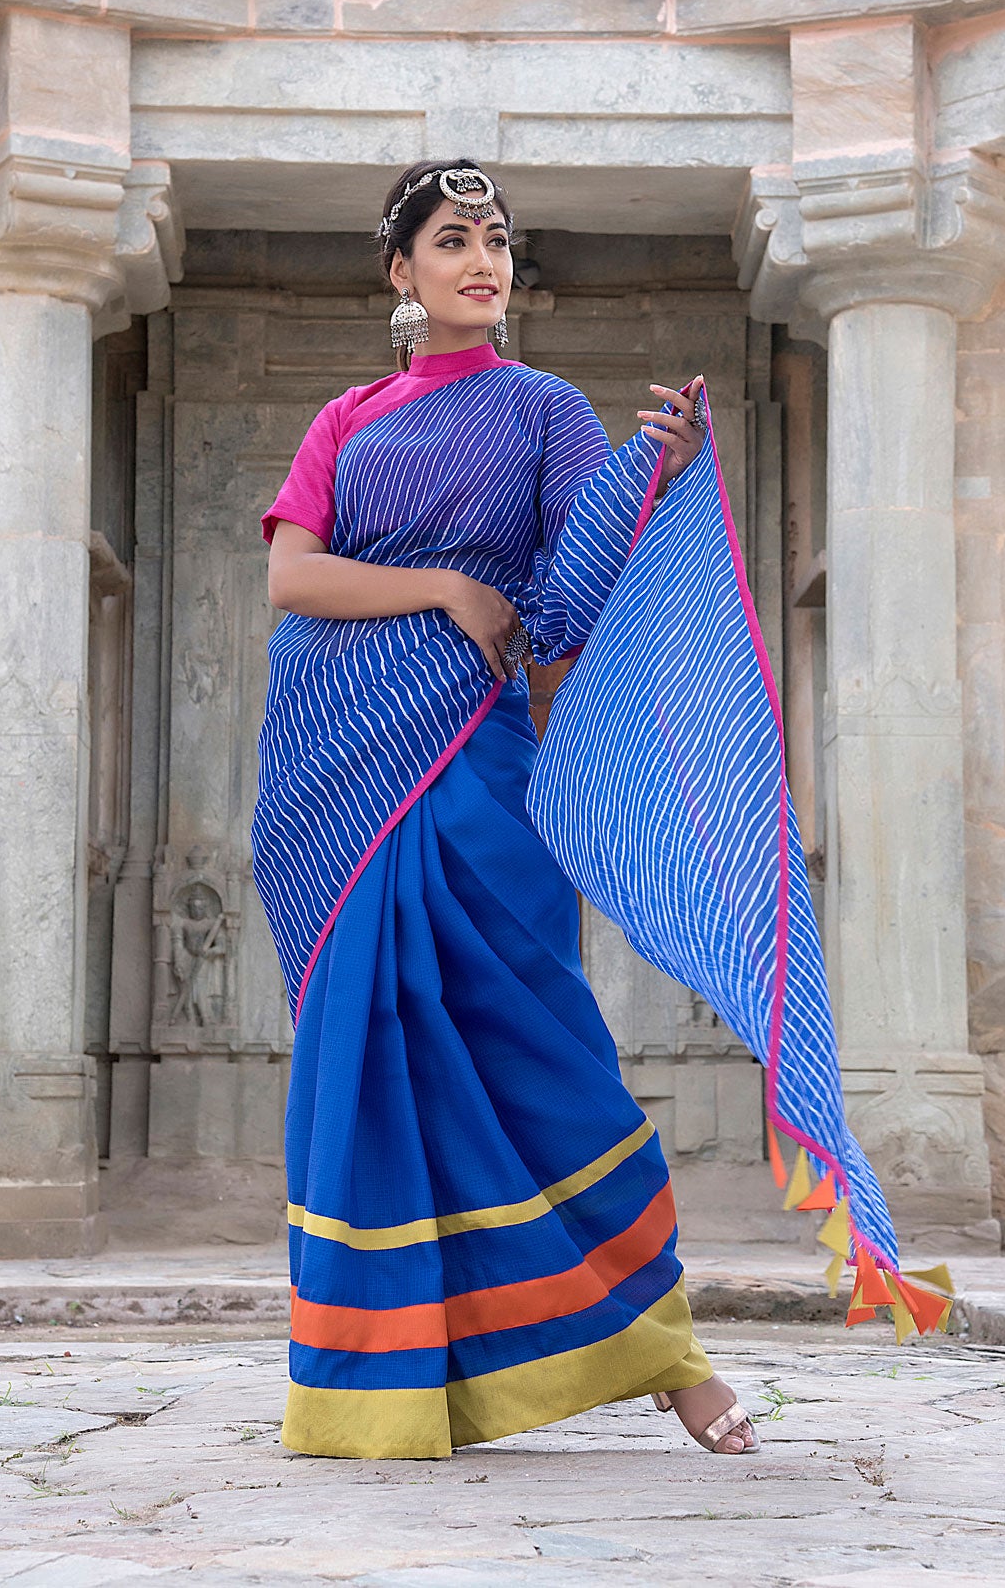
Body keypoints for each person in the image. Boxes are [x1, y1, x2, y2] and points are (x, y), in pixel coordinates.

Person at [253, 157, 761, 1461]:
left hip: (477, 775)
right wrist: (439, 585)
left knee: (547, 1061)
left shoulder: (544, 410)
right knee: (374, 1070)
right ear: (400, 272)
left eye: (495, 241)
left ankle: (669, 1352)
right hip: (334, 784)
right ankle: (391, 1382)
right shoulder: (346, 418)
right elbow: (292, 580)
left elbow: (571, 599)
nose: (481, 261)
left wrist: (650, 475)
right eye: (451, 240)